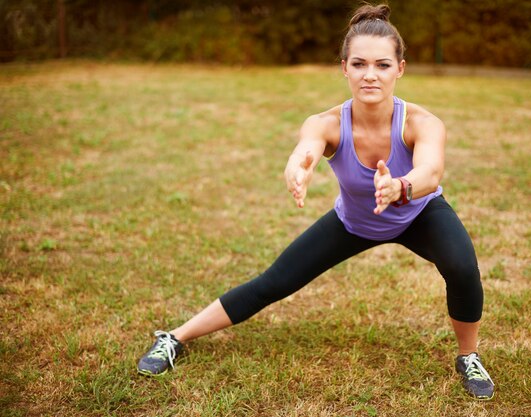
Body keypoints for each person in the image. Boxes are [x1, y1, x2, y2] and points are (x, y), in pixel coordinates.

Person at [137, 3, 495, 400]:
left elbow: (430, 172)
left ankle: (468, 356)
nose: (370, 75)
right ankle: (174, 337)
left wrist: (401, 187)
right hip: (353, 222)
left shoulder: (421, 123)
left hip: (417, 214)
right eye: (359, 64)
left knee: (462, 266)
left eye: (382, 65)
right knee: (273, 283)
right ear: (344, 68)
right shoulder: (326, 122)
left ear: (400, 68)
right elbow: (306, 148)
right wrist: (299, 168)